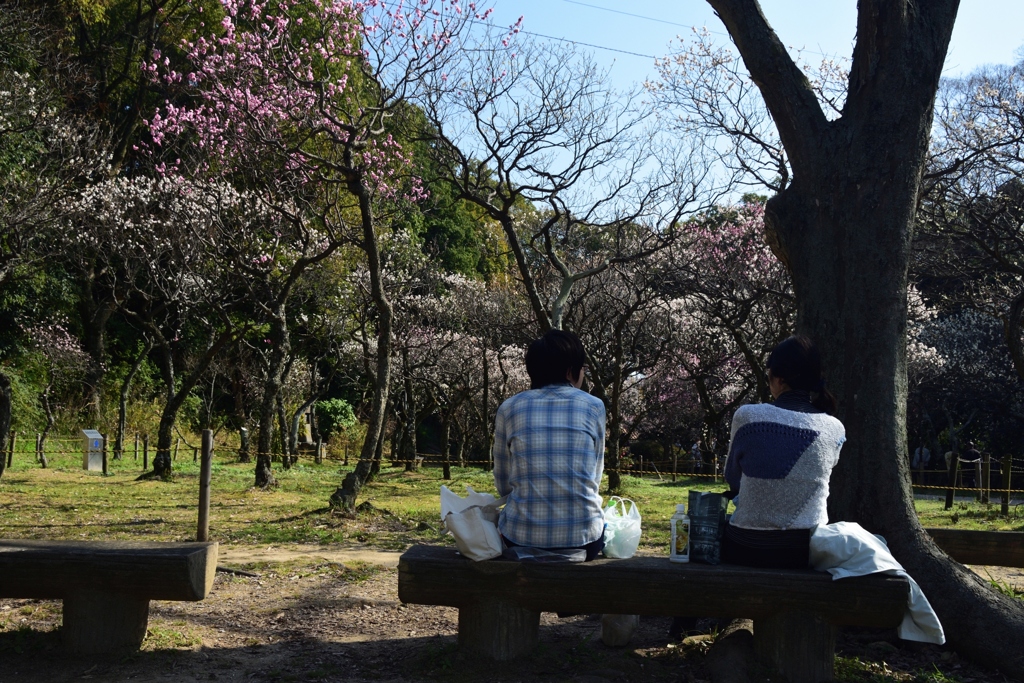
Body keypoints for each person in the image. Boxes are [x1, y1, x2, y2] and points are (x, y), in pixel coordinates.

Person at [721, 335, 846, 569]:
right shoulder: (835, 428)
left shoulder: (747, 417)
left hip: (746, 545)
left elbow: (732, 478)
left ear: (778, 379)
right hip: (806, 549)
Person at [492, 329, 606, 561]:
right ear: (570, 370)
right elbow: (594, 478)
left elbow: (503, 484)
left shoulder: (509, 408)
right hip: (585, 540)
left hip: (519, 537)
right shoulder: (594, 406)